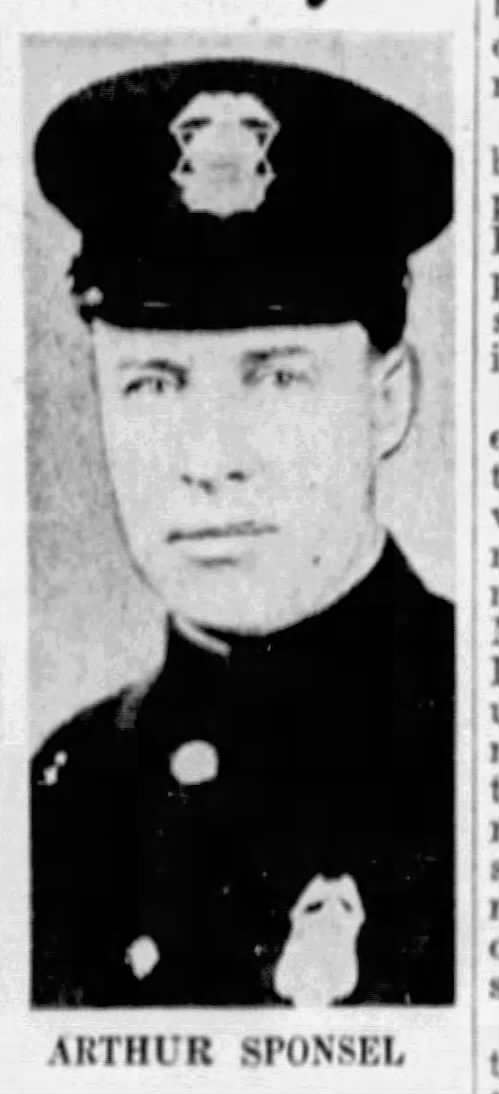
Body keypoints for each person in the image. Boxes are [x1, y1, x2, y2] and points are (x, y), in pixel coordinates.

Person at [31, 56, 454, 1007]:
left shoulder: (474, 736)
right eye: (153, 385)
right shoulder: (64, 794)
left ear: (387, 403)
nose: (209, 460)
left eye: (277, 379)